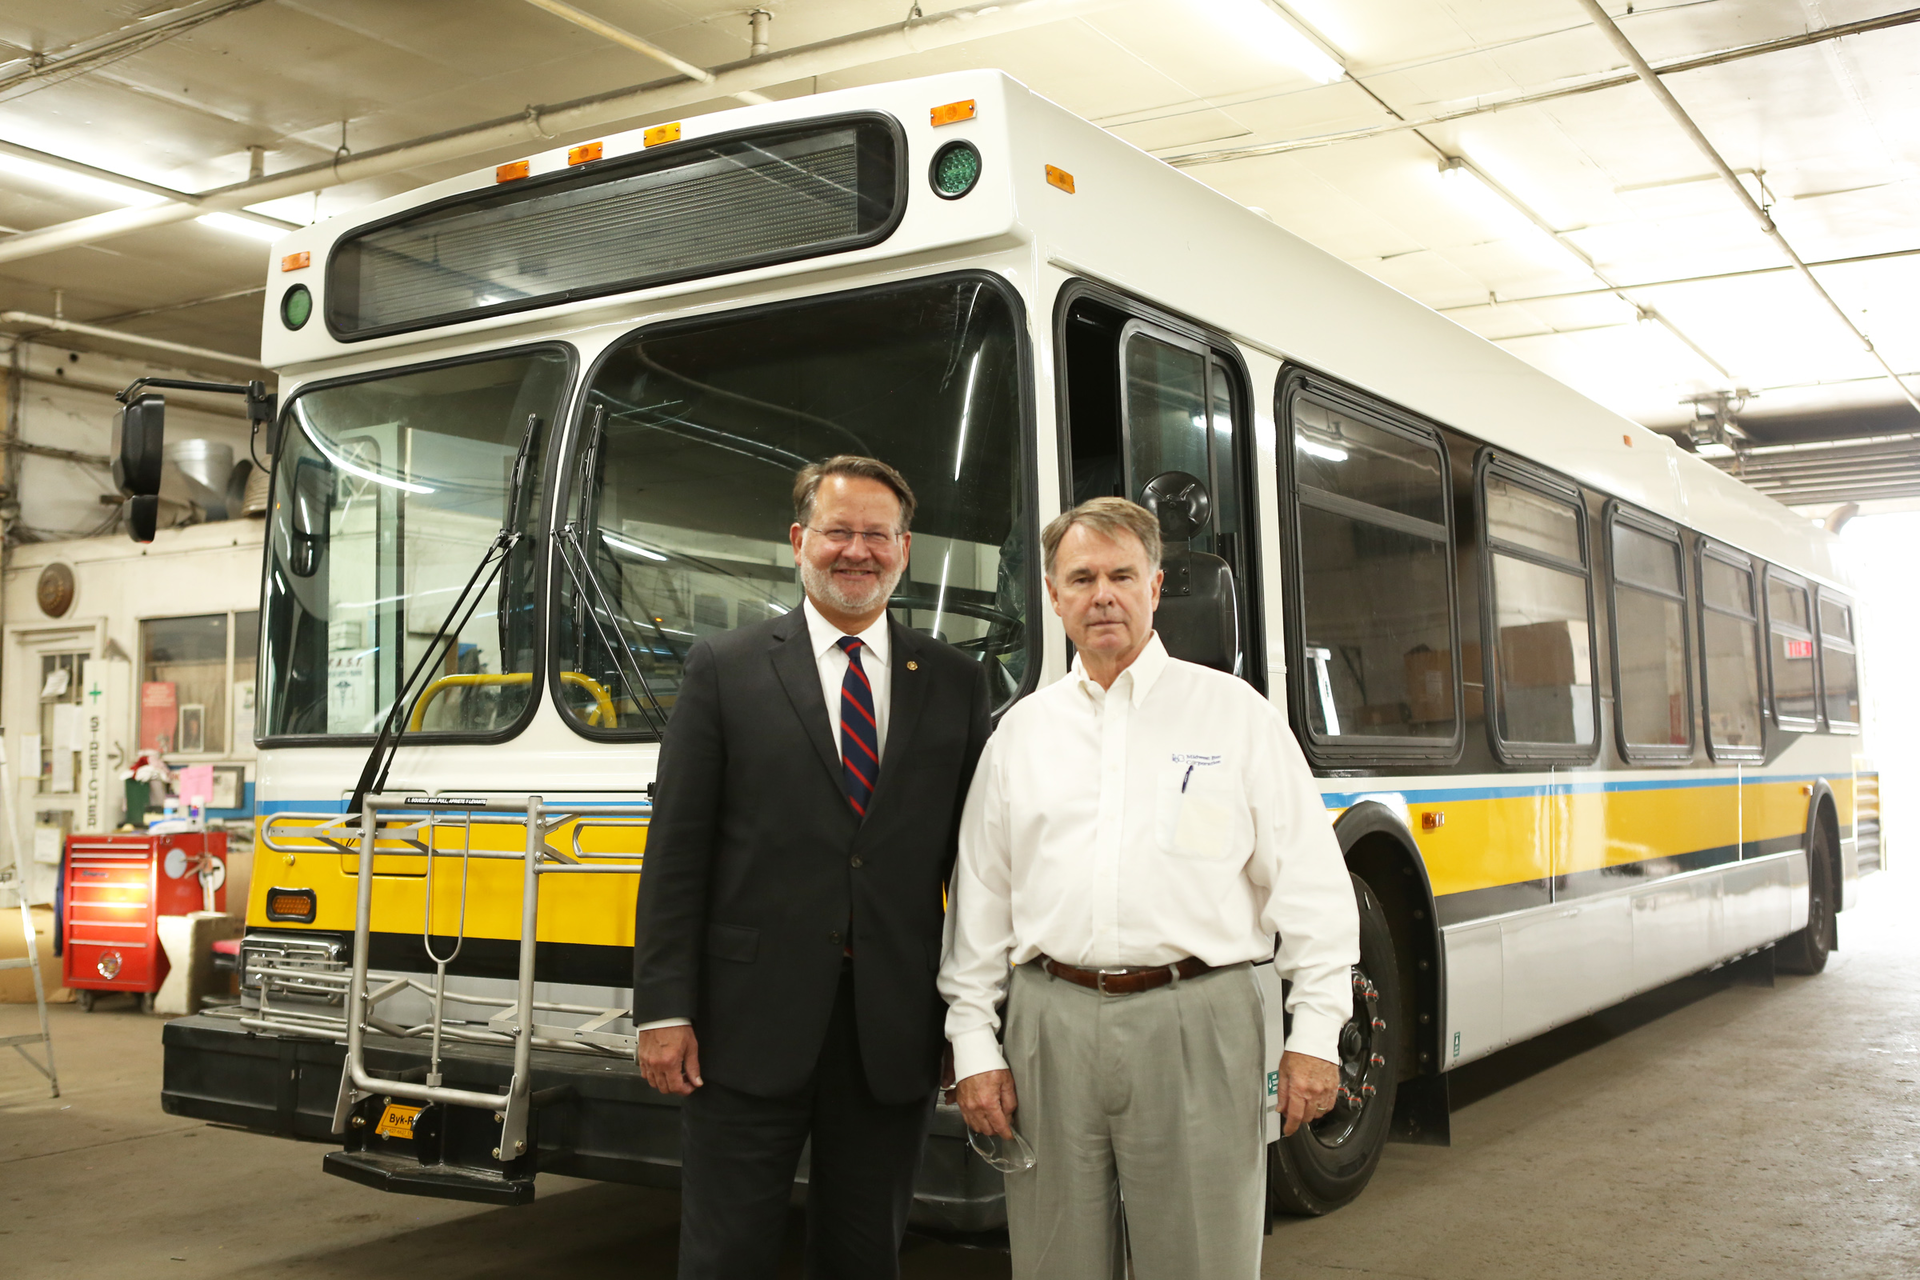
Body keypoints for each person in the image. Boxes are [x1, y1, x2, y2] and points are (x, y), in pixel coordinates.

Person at [938, 496, 1359, 1280]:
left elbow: (1311, 888)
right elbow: (981, 905)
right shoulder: (1020, 735)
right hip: (1048, 1029)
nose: (1103, 595)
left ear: (1156, 587)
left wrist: (1315, 1034)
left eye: (1122, 576)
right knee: (1055, 1264)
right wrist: (972, 1043)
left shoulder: (1235, 716)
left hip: (1200, 1021)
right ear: (1053, 596)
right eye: (1082, 578)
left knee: (1202, 1261)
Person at [632, 455, 993, 1280]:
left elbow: (975, 869)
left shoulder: (955, 680)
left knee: (865, 1257)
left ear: (904, 549)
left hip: (892, 1031)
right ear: (799, 541)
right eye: (837, 532)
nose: (856, 551)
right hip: (740, 1029)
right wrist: (662, 1008)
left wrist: (973, 1020)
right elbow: (677, 852)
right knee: (725, 1257)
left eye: (877, 534)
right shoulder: (724, 668)